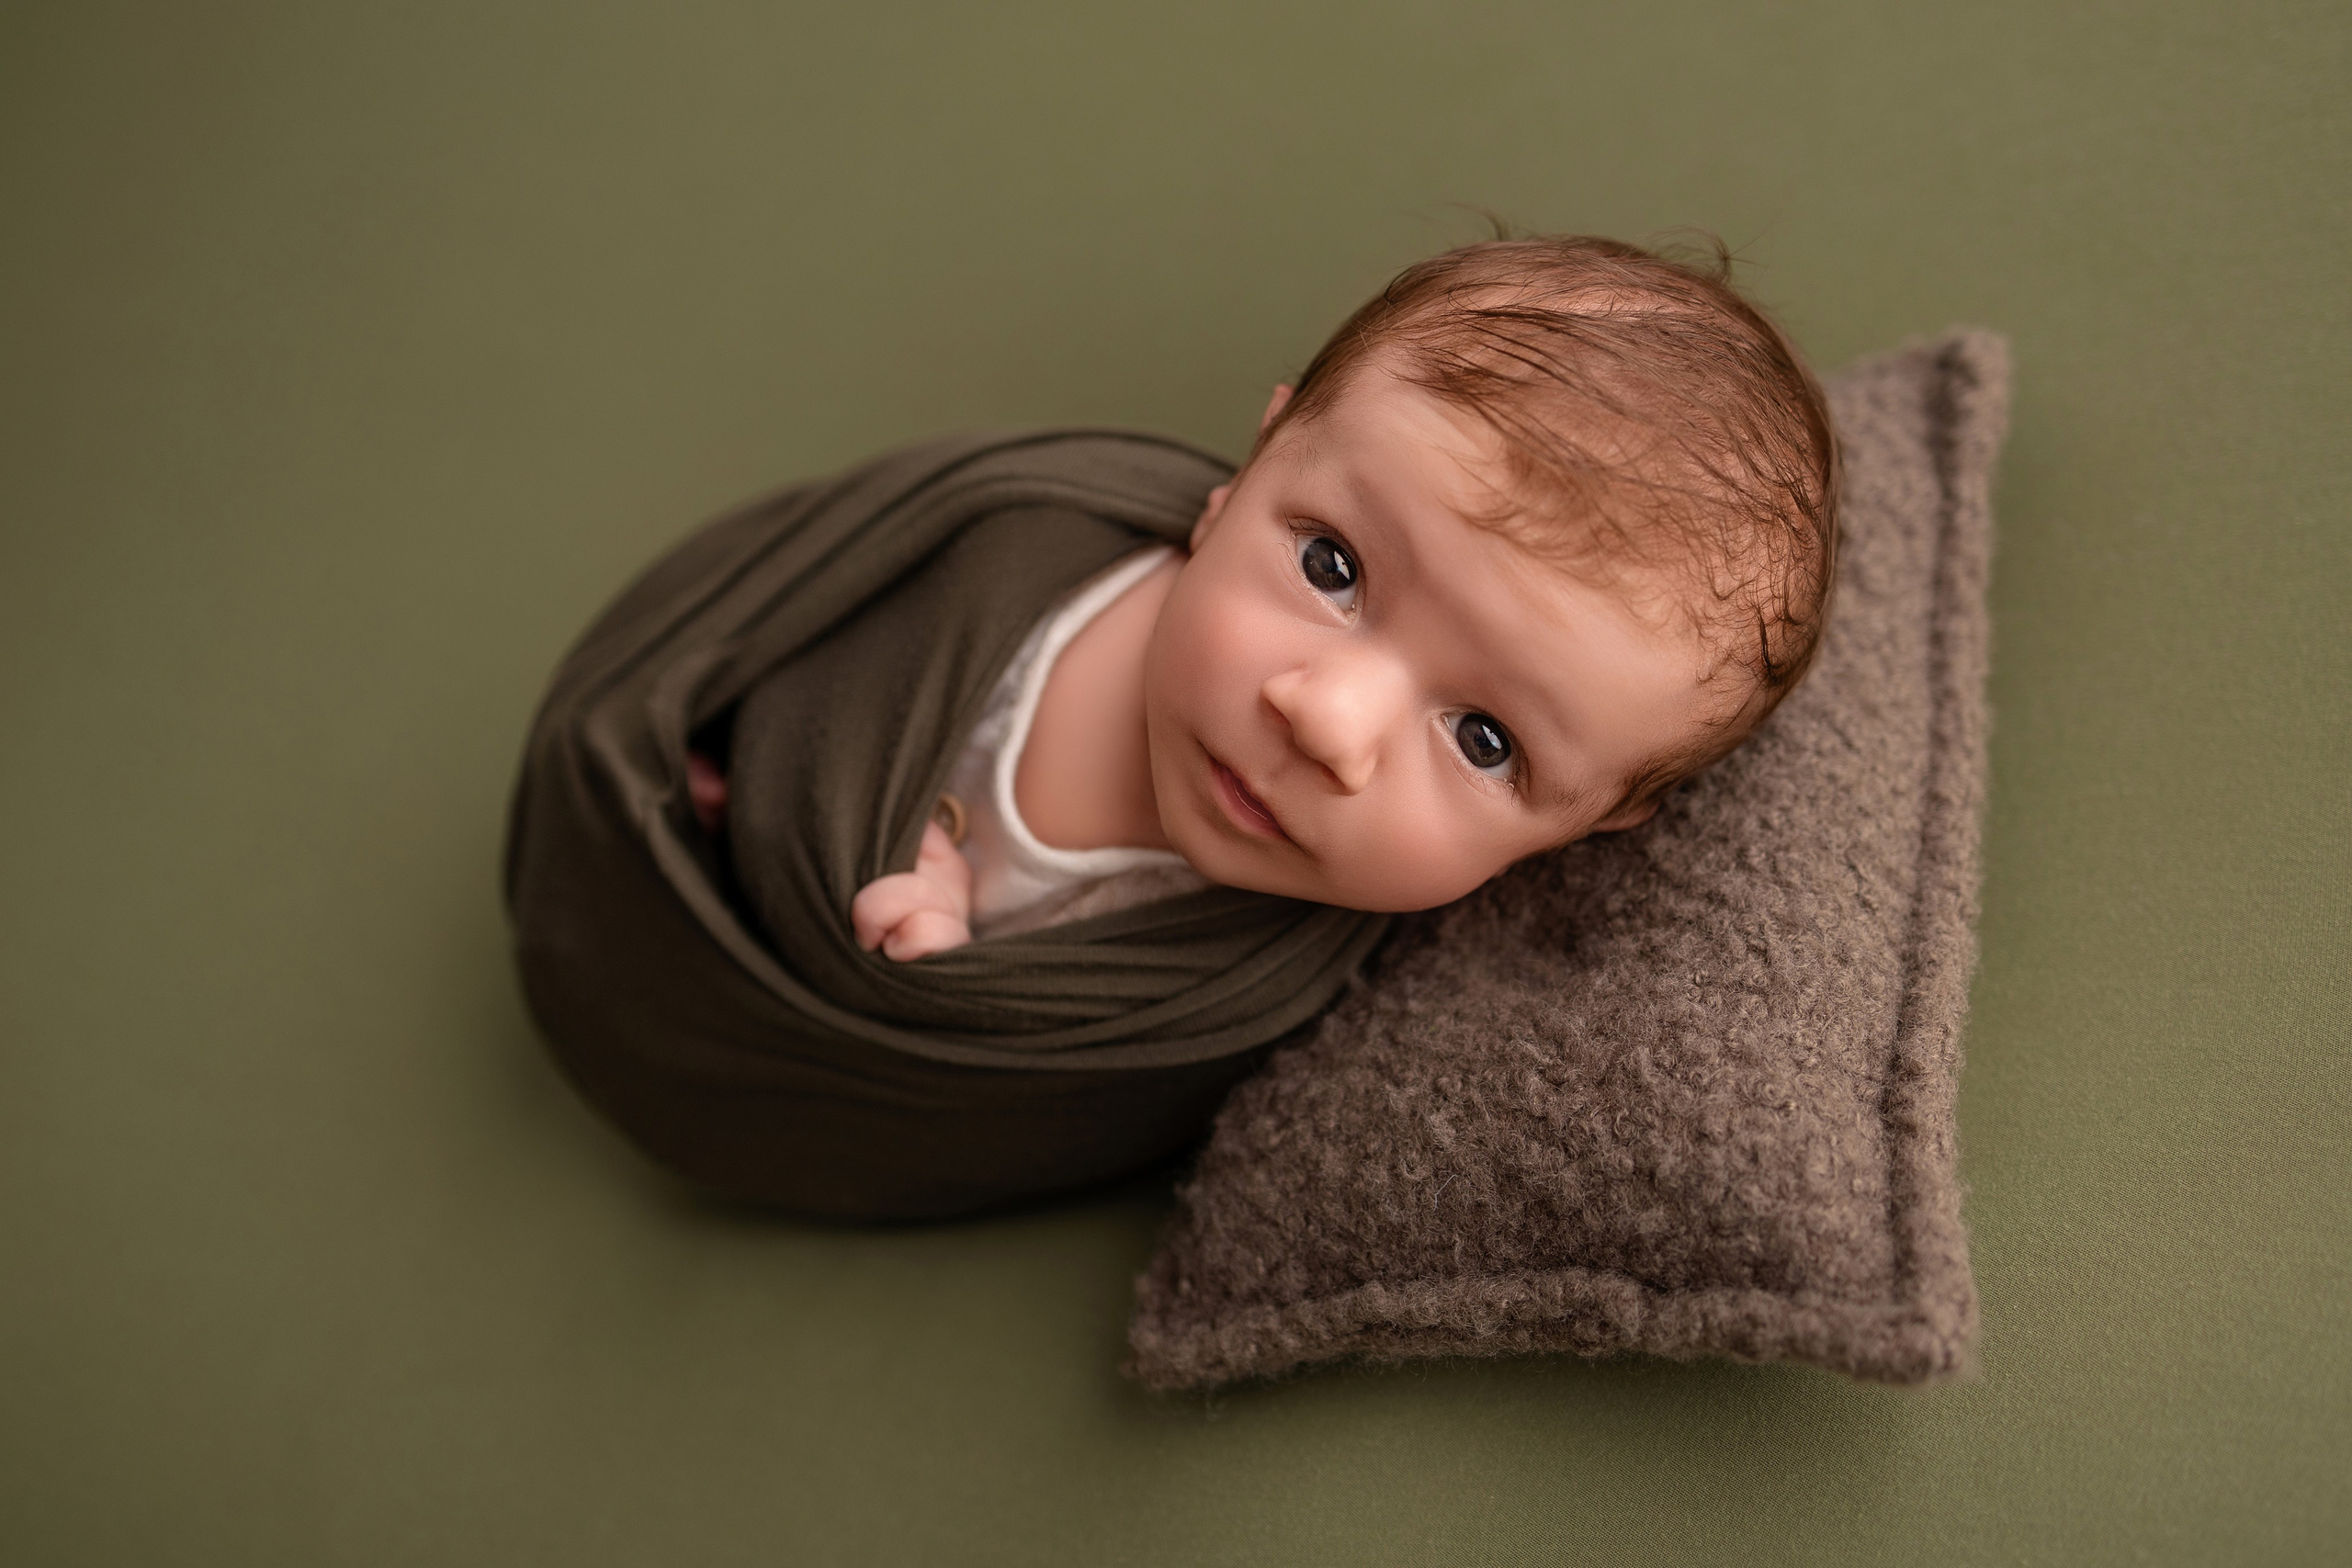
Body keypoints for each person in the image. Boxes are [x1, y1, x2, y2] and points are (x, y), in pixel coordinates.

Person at [700, 233, 1838, 959]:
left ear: (1592, 826)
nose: (1328, 721)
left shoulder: (1228, 982)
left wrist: (941, 952)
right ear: (1242, 482)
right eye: (1331, 568)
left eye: (1486, 741)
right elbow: (806, 610)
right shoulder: (1024, 549)